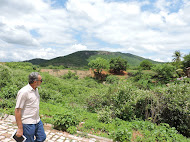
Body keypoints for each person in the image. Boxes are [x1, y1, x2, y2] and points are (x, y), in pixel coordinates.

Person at [15, 72, 46, 142]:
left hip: (37, 120)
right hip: (28, 123)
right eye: (41, 80)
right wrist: (20, 128)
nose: (41, 82)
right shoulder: (24, 92)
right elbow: (17, 110)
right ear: (35, 82)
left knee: (42, 137)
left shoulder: (36, 90)